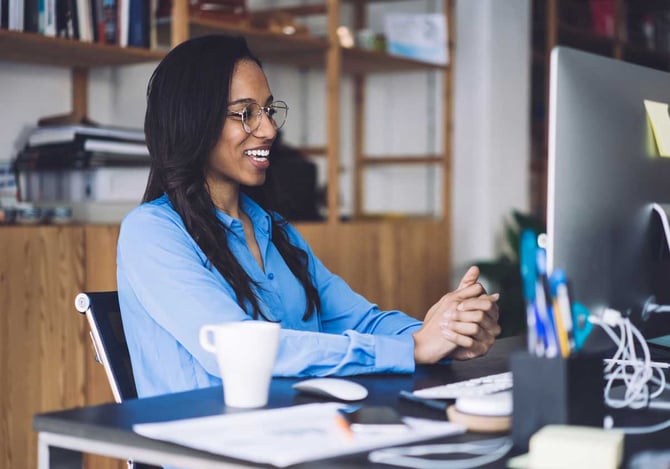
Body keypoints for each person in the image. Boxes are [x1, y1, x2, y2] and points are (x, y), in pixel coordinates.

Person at [117, 34, 501, 398]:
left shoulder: (274, 229)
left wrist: (449, 333)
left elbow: (359, 321)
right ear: (192, 121)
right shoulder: (151, 233)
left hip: (300, 430)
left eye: (267, 110)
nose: (268, 129)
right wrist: (416, 347)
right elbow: (236, 349)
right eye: (245, 113)